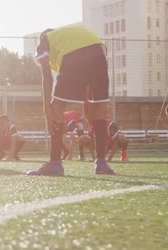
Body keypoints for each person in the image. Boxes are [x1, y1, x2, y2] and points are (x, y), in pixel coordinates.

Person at [27, 26, 114, 176]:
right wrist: (88, 112)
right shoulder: (69, 38)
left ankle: (54, 164)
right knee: (99, 110)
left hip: (77, 55)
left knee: (56, 108)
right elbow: (86, 89)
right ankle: (101, 164)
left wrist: (47, 110)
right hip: (99, 52)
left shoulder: (45, 40)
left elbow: (47, 77)